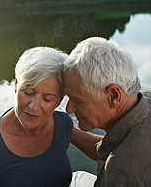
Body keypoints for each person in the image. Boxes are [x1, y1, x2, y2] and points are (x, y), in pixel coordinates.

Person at [0, 46, 73, 187]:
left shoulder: (64, 125)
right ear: (16, 85)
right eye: (28, 92)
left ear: (59, 100)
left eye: (47, 99)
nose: (33, 107)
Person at [64, 36, 151, 187]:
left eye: (78, 100)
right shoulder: (143, 98)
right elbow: (112, 147)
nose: (68, 109)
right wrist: (65, 128)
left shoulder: (120, 175)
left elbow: (121, 160)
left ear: (113, 96)